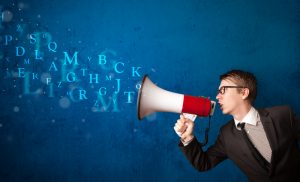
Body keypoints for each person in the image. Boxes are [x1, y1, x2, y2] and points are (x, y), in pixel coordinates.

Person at [174, 69, 300, 181]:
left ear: (244, 93)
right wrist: (187, 137)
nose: (217, 97)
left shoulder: (283, 114)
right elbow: (203, 163)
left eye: (223, 90)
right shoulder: (226, 135)